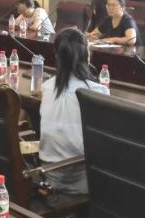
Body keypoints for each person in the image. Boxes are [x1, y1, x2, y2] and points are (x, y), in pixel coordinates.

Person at [39, 29, 108, 202]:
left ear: (57, 56)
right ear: (87, 56)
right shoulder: (98, 92)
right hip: (81, 177)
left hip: (48, 172)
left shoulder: (47, 86)